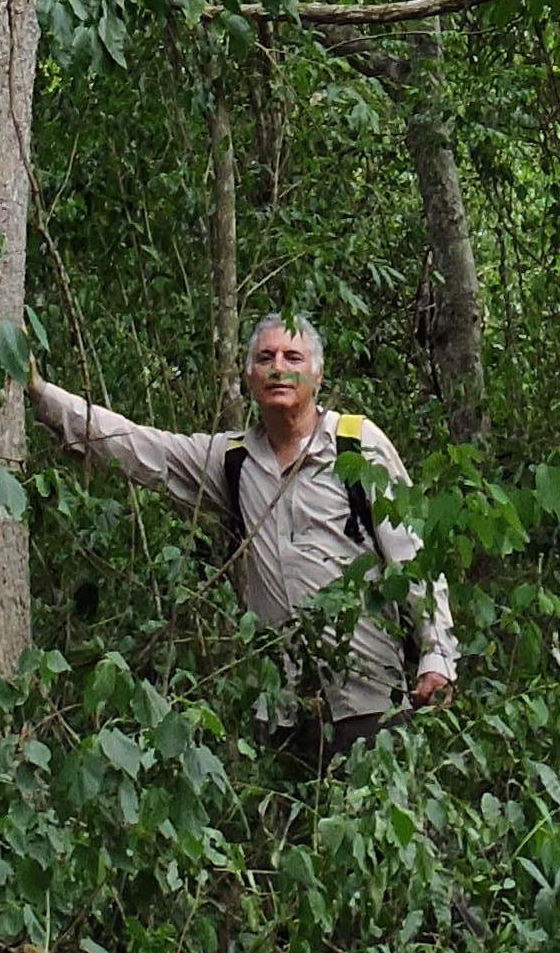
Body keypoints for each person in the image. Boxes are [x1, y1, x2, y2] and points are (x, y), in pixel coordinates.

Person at [27, 311, 457, 764]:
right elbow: (141, 447)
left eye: (293, 357)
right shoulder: (232, 461)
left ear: (318, 373)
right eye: (265, 357)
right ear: (249, 376)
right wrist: (41, 393)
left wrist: (437, 655)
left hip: (370, 701)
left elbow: (413, 555)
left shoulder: (355, 443)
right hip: (283, 712)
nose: (278, 368)